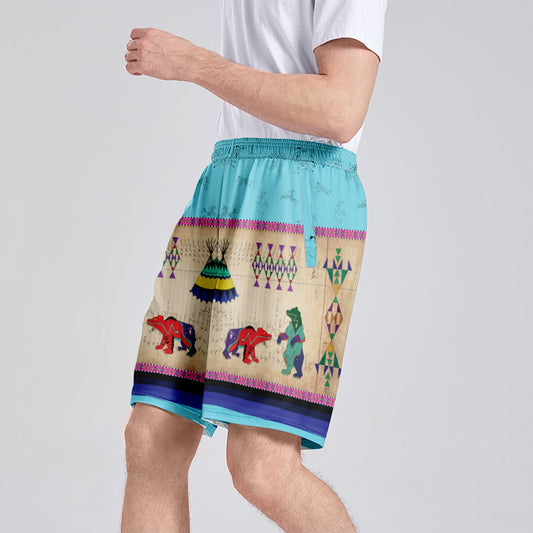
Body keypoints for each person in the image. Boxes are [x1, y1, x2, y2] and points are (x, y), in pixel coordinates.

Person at [121, 1, 388, 531]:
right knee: (152, 438)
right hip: (225, 181)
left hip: (300, 196)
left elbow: (341, 109)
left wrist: (193, 63)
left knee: (262, 467)